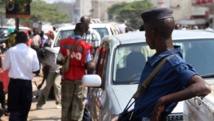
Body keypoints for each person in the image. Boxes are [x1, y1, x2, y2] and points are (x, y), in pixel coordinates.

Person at [130, 8, 211, 121]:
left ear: (153, 33)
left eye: (146, 33)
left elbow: (203, 86)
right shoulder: (158, 59)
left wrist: (163, 100)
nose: (145, 37)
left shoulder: (174, 63)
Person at [57, 23, 99, 121]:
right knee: (78, 105)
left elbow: (58, 60)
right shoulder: (84, 46)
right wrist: (95, 57)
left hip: (67, 78)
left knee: (66, 105)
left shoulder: (64, 43)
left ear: (74, 30)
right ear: (82, 32)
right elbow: (89, 65)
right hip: (80, 80)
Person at [2, 32, 39, 121]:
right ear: (27, 40)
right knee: (25, 110)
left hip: (14, 84)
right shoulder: (32, 52)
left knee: (14, 110)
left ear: (16, 40)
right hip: (26, 84)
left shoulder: (11, 51)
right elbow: (36, 69)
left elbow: (5, 66)